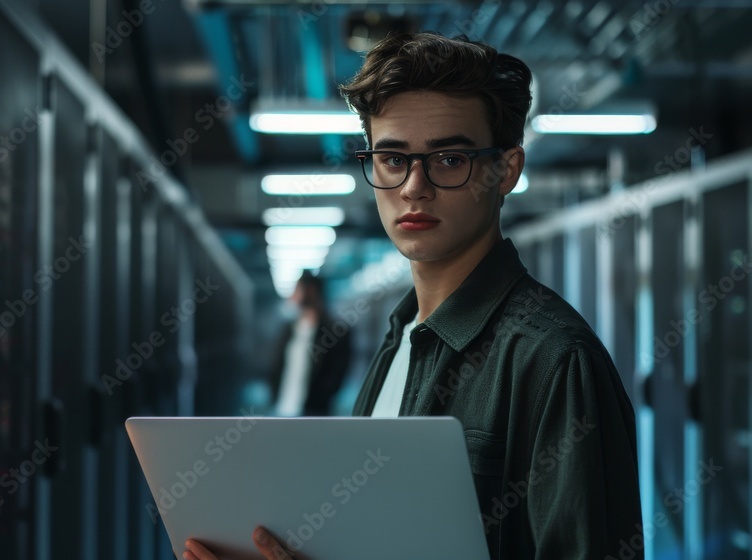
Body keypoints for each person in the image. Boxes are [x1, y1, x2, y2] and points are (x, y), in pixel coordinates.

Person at [184, 31, 642, 560]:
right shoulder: (399, 339)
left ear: (505, 171)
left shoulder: (556, 361)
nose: (413, 187)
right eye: (393, 159)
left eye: (449, 159)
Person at [268, 271, 351, 417]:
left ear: (311, 290)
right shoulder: (289, 327)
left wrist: (320, 400)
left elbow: (337, 373)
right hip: (283, 408)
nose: (293, 294)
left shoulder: (336, 331)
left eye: (297, 288)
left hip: (314, 412)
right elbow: (277, 363)